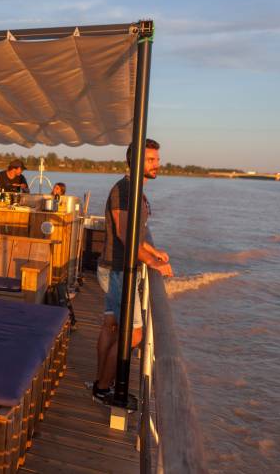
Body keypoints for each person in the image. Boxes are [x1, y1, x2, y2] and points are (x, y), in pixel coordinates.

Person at [92, 139, 174, 405]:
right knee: (135, 334)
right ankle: (104, 388)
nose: (156, 164)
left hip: (115, 267)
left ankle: (101, 382)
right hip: (118, 270)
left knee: (111, 326)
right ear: (136, 161)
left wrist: (152, 250)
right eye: (151, 160)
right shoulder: (126, 190)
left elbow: (137, 234)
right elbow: (126, 235)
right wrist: (153, 263)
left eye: (157, 159)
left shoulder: (134, 189)